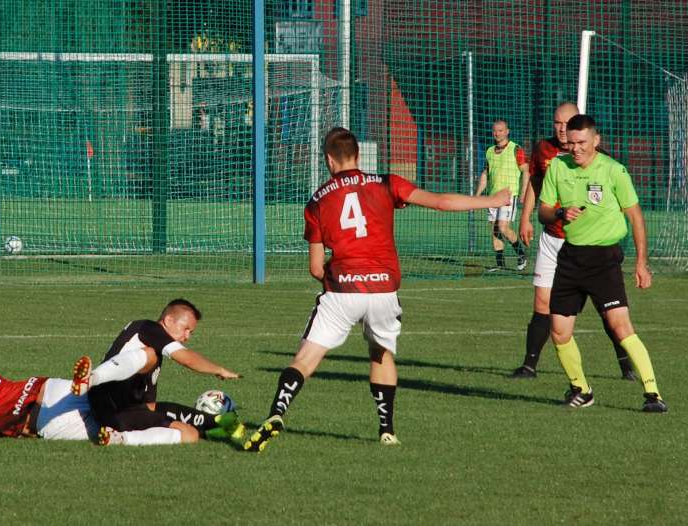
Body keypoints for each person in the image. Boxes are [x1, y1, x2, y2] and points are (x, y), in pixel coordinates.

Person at [241, 127, 512, 452]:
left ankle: (275, 414)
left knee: (305, 359)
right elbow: (440, 202)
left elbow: (315, 268)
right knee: (380, 354)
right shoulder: (386, 183)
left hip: (343, 289)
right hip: (384, 290)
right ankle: (386, 430)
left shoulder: (317, 200)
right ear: (357, 155)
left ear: (329, 159)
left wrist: (340, 281)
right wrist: (492, 200)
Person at [538, 114, 666, 412]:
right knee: (558, 330)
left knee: (620, 326)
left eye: (582, 142)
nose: (576, 149)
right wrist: (559, 214)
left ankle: (653, 395)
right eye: (571, 143)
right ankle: (582, 390)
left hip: (604, 259)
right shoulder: (558, 167)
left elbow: (635, 216)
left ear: (596, 140)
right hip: (570, 257)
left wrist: (641, 263)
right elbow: (544, 211)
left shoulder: (613, 171)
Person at [513, 103, 635, 380]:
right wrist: (525, 217)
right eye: (557, 122)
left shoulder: (593, 155)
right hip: (553, 237)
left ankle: (626, 364)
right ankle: (529, 365)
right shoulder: (543, 150)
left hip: (586, 246)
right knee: (542, 302)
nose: (560, 128)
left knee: (608, 310)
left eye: (565, 123)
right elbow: (535, 182)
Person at [71, 298, 244, 445]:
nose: (187, 336)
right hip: (111, 406)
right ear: (169, 320)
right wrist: (219, 369)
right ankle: (119, 434)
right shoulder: (148, 328)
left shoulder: (151, 348)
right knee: (151, 355)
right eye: (186, 329)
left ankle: (213, 424)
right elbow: (186, 358)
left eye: (191, 332)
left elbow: (148, 405)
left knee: (187, 431)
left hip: (118, 408)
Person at [0, 365, 185, 446]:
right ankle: (187, 416)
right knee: (123, 407)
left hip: (43, 417)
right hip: (51, 386)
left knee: (116, 430)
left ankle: (176, 433)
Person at [476, 119, 530, 272]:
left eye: (500, 130)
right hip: (493, 197)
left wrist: (523, 193)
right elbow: (486, 174)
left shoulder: (515, 149)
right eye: (495, 131)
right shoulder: (489, 151)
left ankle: (521, 255)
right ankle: (500, 264)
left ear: (507, 131)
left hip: (508, 195)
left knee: (503, 227)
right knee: (495, 230)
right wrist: (477, 195)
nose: (497, 133)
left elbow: (526, 171)